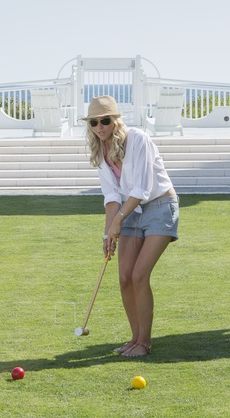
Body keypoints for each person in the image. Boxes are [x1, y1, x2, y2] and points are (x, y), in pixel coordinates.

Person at [85, 95, 179, 358]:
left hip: (160, 207)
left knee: (139, 275)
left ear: (116, 120)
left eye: (105, 120)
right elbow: (112, 196)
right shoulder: (101, 152)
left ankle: (145, 343)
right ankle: (134, 338)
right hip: (131, 211)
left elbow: (142, 188)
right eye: (94, 122)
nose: (100, 127)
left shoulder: (138, 139)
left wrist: (118, 222)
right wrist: (108, 234)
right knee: (124, 277)